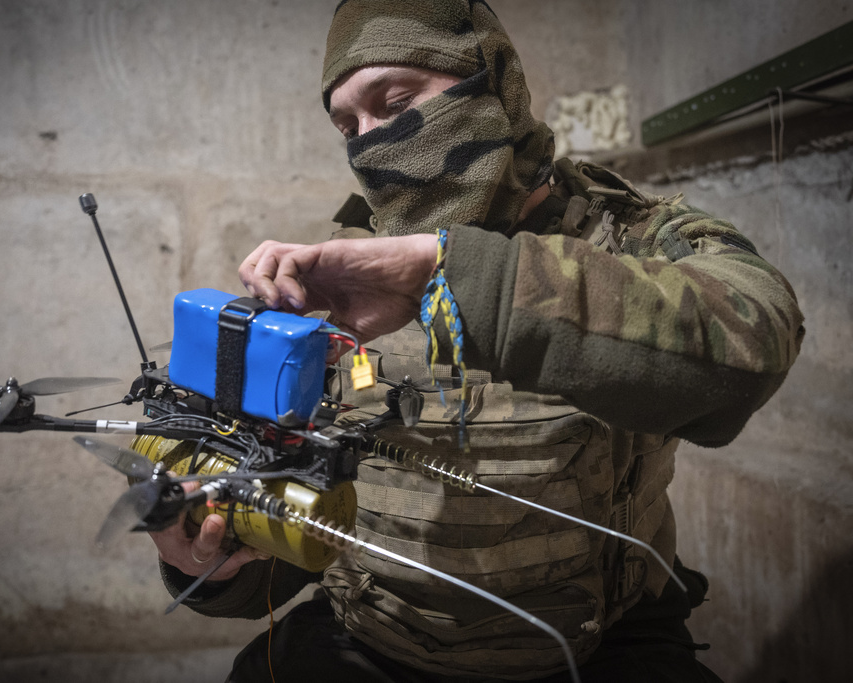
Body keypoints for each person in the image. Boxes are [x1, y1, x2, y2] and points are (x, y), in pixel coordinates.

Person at [149, 2, 805, 681]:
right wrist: (211, 558)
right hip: (366, 640)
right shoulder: (342, 285)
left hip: (596, 647)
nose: (370, 141)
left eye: (395, 100)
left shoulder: (632, 237)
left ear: (495, 84)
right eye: (348, 125)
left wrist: (452, 277)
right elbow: (290, 543)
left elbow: (754, 339)